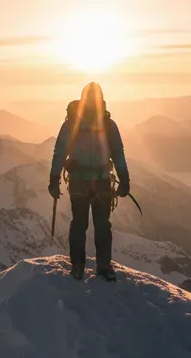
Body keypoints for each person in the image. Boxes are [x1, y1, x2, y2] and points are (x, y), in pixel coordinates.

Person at [49, 82, 130, 281]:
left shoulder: (72, 123)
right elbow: (117, 153)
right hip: (101, 181)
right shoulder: (108, 124)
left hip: (80, 182)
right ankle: (102, 266)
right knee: (100, 224)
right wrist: (124, 178)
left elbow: (60, 151)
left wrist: (54, 178)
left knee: (80, 224)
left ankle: (79, 265)